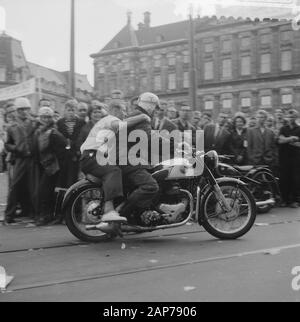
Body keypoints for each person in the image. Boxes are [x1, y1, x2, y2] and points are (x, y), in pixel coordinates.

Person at [80, 100, 152, 223]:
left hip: (94, 156)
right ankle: (109, 211)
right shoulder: (109, 119)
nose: (125, 114)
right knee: (113, 171)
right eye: (123, 110)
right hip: (92, 156)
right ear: (115, 110)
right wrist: (143, 116)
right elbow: (120, 125)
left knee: (116, 170)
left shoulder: (106, 121)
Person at [4, 97, 39, 224]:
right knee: (15, 186)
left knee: (33, 187)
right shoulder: (11, 127)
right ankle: (9, 215)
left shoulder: (35, 123)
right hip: (19, 159)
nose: (24, 112)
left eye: (26, 109)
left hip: (32, 160)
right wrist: (16, 148)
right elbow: (7, 145)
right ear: (17, 111)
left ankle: (35, 214)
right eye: (21, 109)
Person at [34, 107, 68, 225]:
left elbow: (64, 147)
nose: (46, 119)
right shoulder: (39, 131)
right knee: (46, 191)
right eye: (43, 117)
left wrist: (54, 161)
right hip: (44, 166)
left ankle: (47, 216)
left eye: (48, 117)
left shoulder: (53, 132)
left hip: (54, 166)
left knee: (45, 191)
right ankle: (47, 215)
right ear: (39, 118)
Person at [56, 99, 85, 188]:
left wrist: (75, 148)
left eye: (73, 110)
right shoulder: (60, 122)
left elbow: (82, 137)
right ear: (65, 110)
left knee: (73, 178)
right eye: (69, 110)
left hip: (75, 154)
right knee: (62, 178)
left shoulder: (81, 122)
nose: (71, 112)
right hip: (63, 155)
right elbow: (57, 139)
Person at [278, 109, 300, 208]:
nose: (290, 118)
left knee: (295, 179)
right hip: (284, 158)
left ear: (296, 117)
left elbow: (299, 144)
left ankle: (295, 200)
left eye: (293, 117)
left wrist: (285, 139)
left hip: (296, 159)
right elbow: (279, 141)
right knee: (284, 179)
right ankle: (284, 200)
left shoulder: (299, 129)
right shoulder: (283, 128)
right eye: (289, 116)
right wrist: (292, 139)